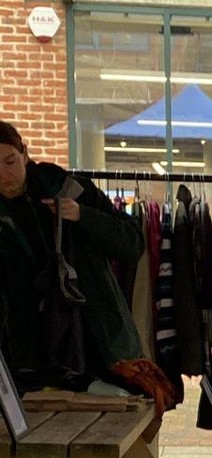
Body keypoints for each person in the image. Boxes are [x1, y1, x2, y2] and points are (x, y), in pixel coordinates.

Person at [0, 120, 147, 393]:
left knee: (124, 413)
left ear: (24, 154)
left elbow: (132, 244)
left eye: (10, 162)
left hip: (101, 342)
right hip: (35, 362)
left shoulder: (69, 189)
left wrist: (83, 216)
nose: (4, 174)